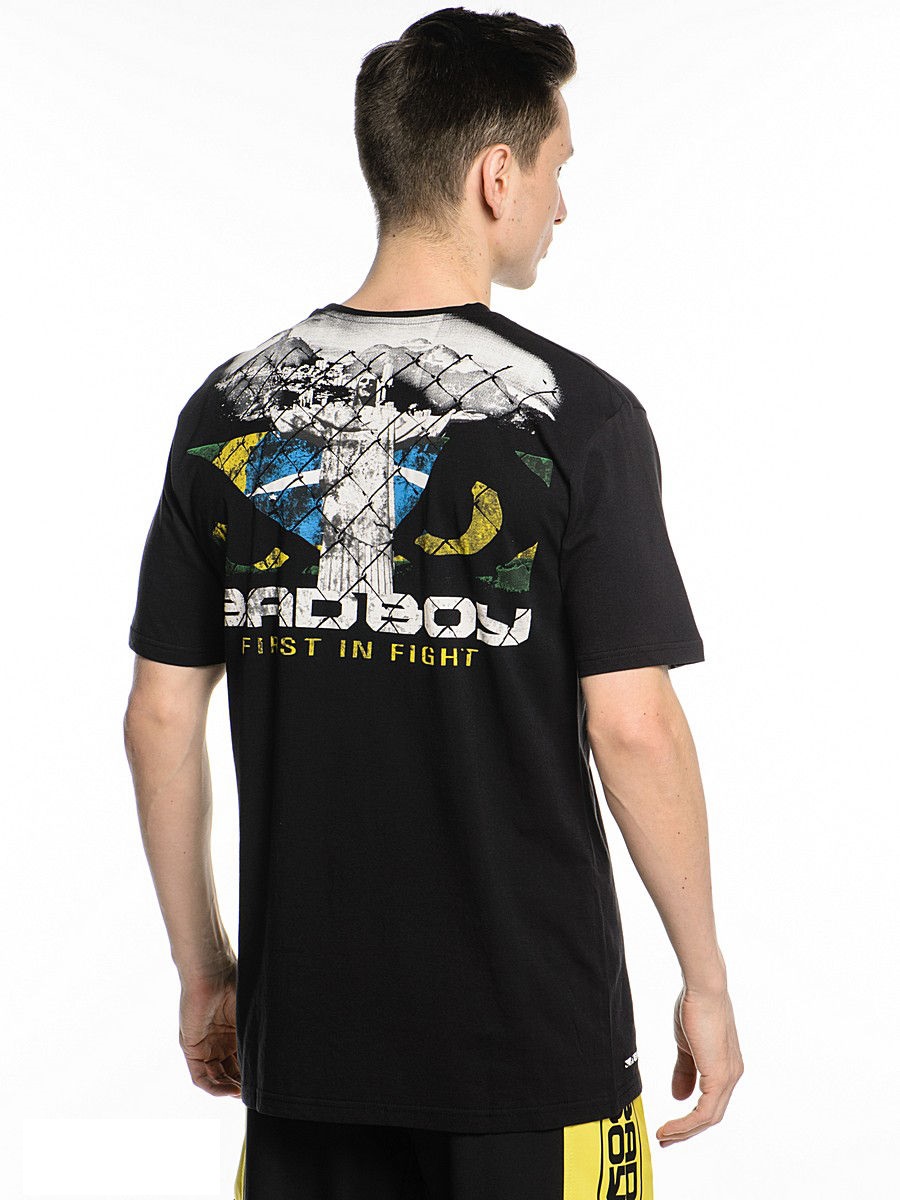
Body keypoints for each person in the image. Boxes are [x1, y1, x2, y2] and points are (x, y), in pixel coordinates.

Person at [123, 7, 743, 1198]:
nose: (562, 205)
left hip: (306, 1049)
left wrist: (206, 974)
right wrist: (704, 980)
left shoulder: (226, 409)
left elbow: (160, 718)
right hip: (532, 1049)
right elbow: (634, 727)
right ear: (496, 176)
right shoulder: (577, 417)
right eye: (557, 168)